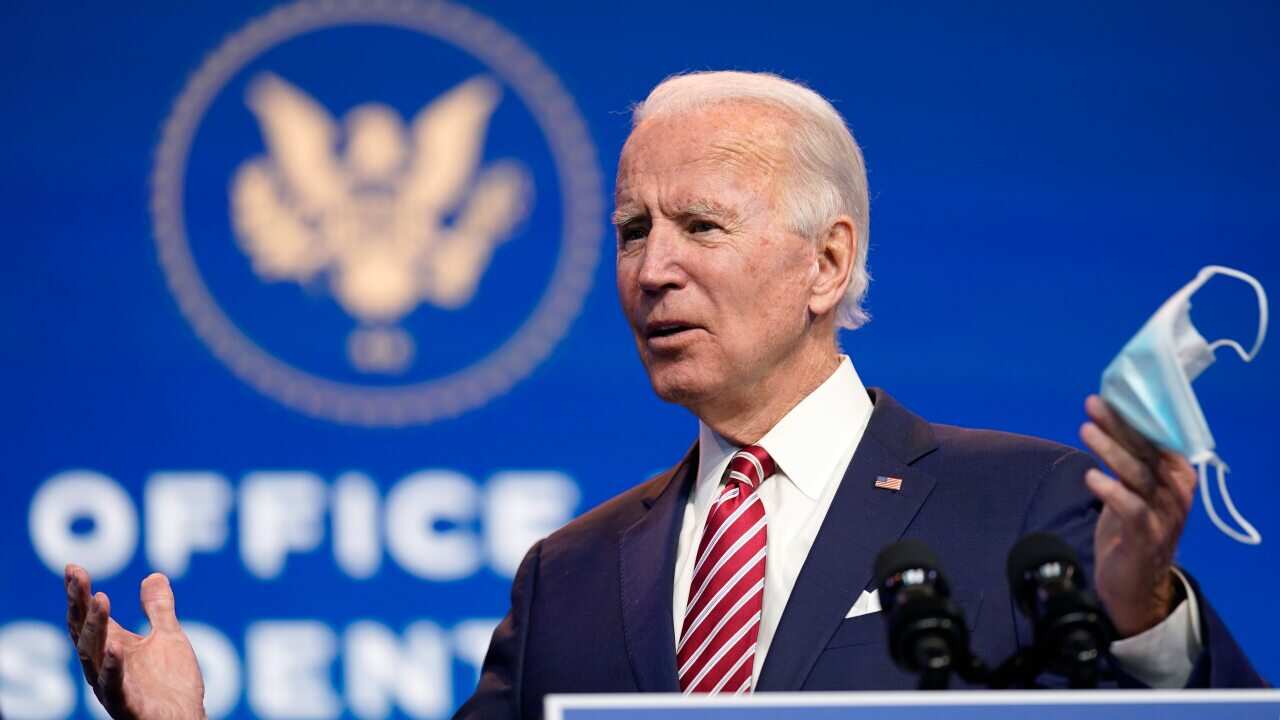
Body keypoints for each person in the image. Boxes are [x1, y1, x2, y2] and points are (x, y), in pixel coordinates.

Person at [64, 71, 1264, 720]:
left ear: (827, 263)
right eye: (632, 229)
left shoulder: (1021, 501)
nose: (650, 268)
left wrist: (1142, 612)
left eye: (699, 225)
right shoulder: (570, 575)